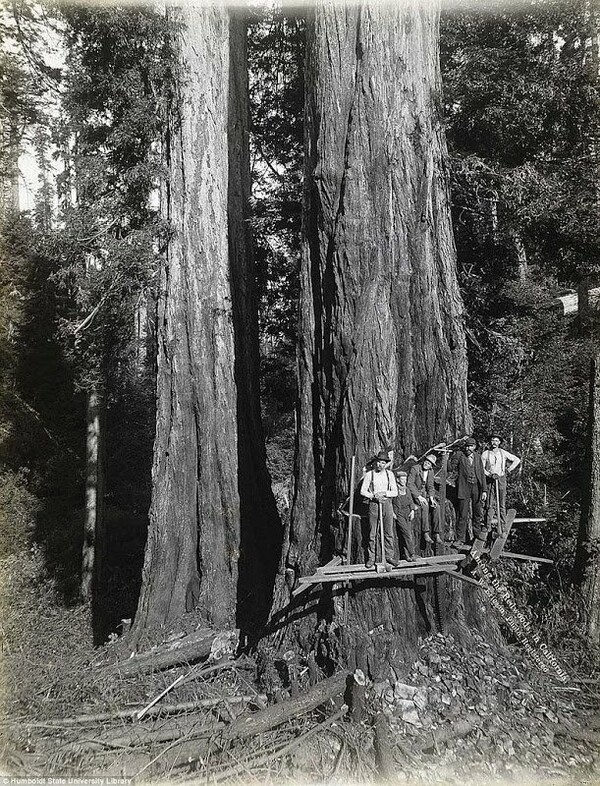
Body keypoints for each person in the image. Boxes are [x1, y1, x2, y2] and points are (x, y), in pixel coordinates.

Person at [360, 451, 399, 568]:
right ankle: (371, 558)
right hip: (374, 505)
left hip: (387, 503)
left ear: (386, 464)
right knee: (372, 533)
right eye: (378, 462)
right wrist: (373, 496)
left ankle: (389, 556)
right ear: (375, 462)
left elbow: (395, 492)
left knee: (388, 532)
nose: (380, 465)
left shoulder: (390, 475)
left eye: (382, 463)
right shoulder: (369, 475)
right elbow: (362, 491)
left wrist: (384, 493)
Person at [449, 437, 487, 546]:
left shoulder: (477, 457)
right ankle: (460, 538)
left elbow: (482, 474)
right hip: (464, 487)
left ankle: (477, 533)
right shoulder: (460, 455)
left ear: (474, 447)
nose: (468, 448)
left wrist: (484, 490)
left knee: (477, 512)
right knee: (463, 513)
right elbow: (451, 467)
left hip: (476, 487)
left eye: (470, 446)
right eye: (466, 446)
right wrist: (447, 458)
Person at [481, 434, 521, 531]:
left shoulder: (503, 453)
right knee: (489, 503)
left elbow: (517, 460)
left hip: (501, 479)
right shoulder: (485, 454)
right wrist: (489, 474)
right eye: (492, 440)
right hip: (490, 479)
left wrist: (508, 469)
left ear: (499, 443)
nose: (494, 442)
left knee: (501, 503)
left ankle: (502, 525)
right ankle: (487, 525)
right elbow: (481, 468)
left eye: (496, 441)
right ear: (490, 442)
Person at [408, 453, 441, 545]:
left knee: (436, 507)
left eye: (429, 463)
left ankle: (436, 533)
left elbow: (430, 486)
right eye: (426, 462)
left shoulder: (430, 472)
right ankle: (425, 532)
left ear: (431, 466)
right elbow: (410, 484)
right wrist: (419, 496)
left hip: (425, 494)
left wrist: (431, 498)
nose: (427, 464)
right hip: (416, 494)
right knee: (425, 506)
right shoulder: (415, 468)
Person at [392, 470, 417, 561]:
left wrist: (412, 511)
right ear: (398, 480)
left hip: (408, 512)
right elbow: (390, 502)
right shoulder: (394, 489)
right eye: (402, 480)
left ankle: (406, 555)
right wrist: (393, 512)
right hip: (399, 513)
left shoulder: (406, 489)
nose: (404, 481)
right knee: (407, 533)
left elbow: (411, 501)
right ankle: (412, 553)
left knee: (406, 534)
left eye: (405, 480)